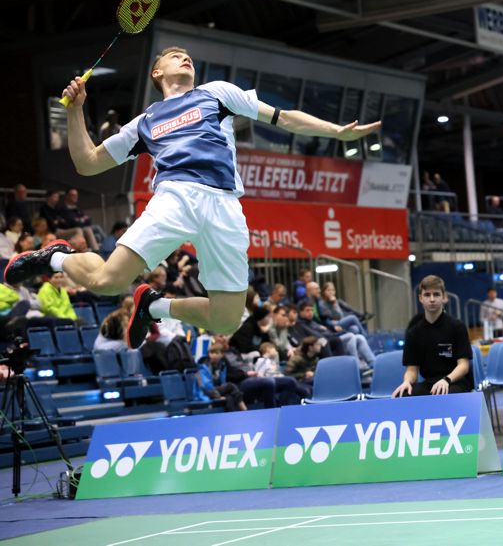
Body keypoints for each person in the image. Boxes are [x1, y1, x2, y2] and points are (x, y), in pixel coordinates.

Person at [5, 47, 380, 350]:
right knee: (106, 280)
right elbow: (87, 163)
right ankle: (56, 256)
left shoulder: (216, 94)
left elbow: (282, 117)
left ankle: (153, 306)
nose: (185, 57)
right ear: (157, 73)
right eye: (173, 55)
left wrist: (335, 131)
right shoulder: (145, 122)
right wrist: (75, 111)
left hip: (226, 206)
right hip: (176, 196)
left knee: (227, 319)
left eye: (187, 56)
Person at [392, 275, 473, 397]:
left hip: (455, 382)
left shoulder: (457, 327)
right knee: (402, 394)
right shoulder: (413, 333)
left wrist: (446, 380)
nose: (432, 299)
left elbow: (464, 366)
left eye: (436, 294)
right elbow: (412, 370)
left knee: (443, 393)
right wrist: (407, 382)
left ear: (444, 297)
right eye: (427, 295)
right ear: (420, 298)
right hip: (429, 384)